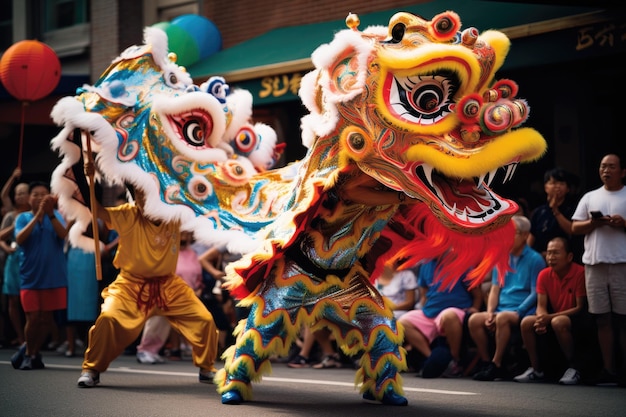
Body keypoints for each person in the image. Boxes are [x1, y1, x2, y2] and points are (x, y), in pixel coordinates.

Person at [76, 161, 219, 388]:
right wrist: (88, 179)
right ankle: (91, 368)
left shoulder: (173, 216)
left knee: (204, 320)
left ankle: (206, 367)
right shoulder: (128, 215)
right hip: (130, 285)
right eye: (140, 196)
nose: (146, 201)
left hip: (168, 285)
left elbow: (199, 201)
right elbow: (97, 210)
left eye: (151, 195)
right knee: (109, 319)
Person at [571, 153, 626, 386]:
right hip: (594, 263)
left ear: (622, 171)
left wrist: (623, 224)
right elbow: (575, 227)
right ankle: (608, 369)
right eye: (603, 166)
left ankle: (623, 370)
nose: (606, 170)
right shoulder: (590, 196)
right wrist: (593, 223)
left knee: (623, 319)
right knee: (602, 319)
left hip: (622, 263)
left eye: (612, 166)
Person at [470, 215, 546, 381]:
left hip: (522, 310)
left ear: (525, 235)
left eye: (514, 232)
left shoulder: (536, 259)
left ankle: (496, 364)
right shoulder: (502, 256)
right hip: (500, 309)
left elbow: (536, 292)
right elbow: (495, 289)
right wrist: (490, 312)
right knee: (475, 319)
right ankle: (486, 362)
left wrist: (518, 311)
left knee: (503, 318)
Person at [10, 181, 68, 370]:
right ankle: (29, 353)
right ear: (29, 198)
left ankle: (32, 350)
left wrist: (49, 214)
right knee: (33, 318)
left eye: (44, 194)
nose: (40, 198)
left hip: (53, 277)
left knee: (46, 319)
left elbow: (63, 235)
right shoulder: (22, 218)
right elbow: (19, 239)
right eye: (35, 194)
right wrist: (37, 217)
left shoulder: (57, 216)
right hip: (30, 277)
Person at [513, 237, 587, 385]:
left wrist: (549, 317)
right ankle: (536, 368)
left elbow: (580, 307)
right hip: (552, 316)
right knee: (527, 322)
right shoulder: (544, 274)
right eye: (549, 253)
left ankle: (574, 367)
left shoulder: (580, 273)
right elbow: (541, 305)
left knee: (558, 322)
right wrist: (541, 318)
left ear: (569, 256)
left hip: (575, 318)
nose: (551, 258)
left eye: (556, 253)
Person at [398, 257, 482, 378]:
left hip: (456, 310)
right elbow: (424, 294)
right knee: (403, 322)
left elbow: (477, 294)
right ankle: (433, 359)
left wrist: (475, 308)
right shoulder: (425, 264)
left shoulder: (462, 262)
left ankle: (455, 361)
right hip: (430, 312)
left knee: (448, 315)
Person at [135, 230, 205, 363]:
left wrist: (198, 288)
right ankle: (146, 350)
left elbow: (198, 275)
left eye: (187, 234)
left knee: (199, 321)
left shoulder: (192, 254)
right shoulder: (167, 251)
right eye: (182, 234)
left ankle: (200, 355)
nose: (185, 237)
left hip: (188, 295)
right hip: (165, 292)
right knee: (157, 322)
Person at [527, 167, 582, 262]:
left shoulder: (574, 209)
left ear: (567, 189)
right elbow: (530, 240)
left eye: (561, 183)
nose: (557, 186)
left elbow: (571, 230)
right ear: (545, 187)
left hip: (566, 261)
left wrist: (556, 210)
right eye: (553, 183)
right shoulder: (539, 212)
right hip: (541, 260)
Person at [0, 181, 30, 347]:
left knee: (29, 299)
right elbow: (1, 238)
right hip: (13, 259)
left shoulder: (35, 213)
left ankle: (31, 335)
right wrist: (14, 225)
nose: (19, 196)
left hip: (30, 258)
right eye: (17, 193)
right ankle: (20, 337)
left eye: (22, 192)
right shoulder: (11, 215)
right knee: (13, 299)